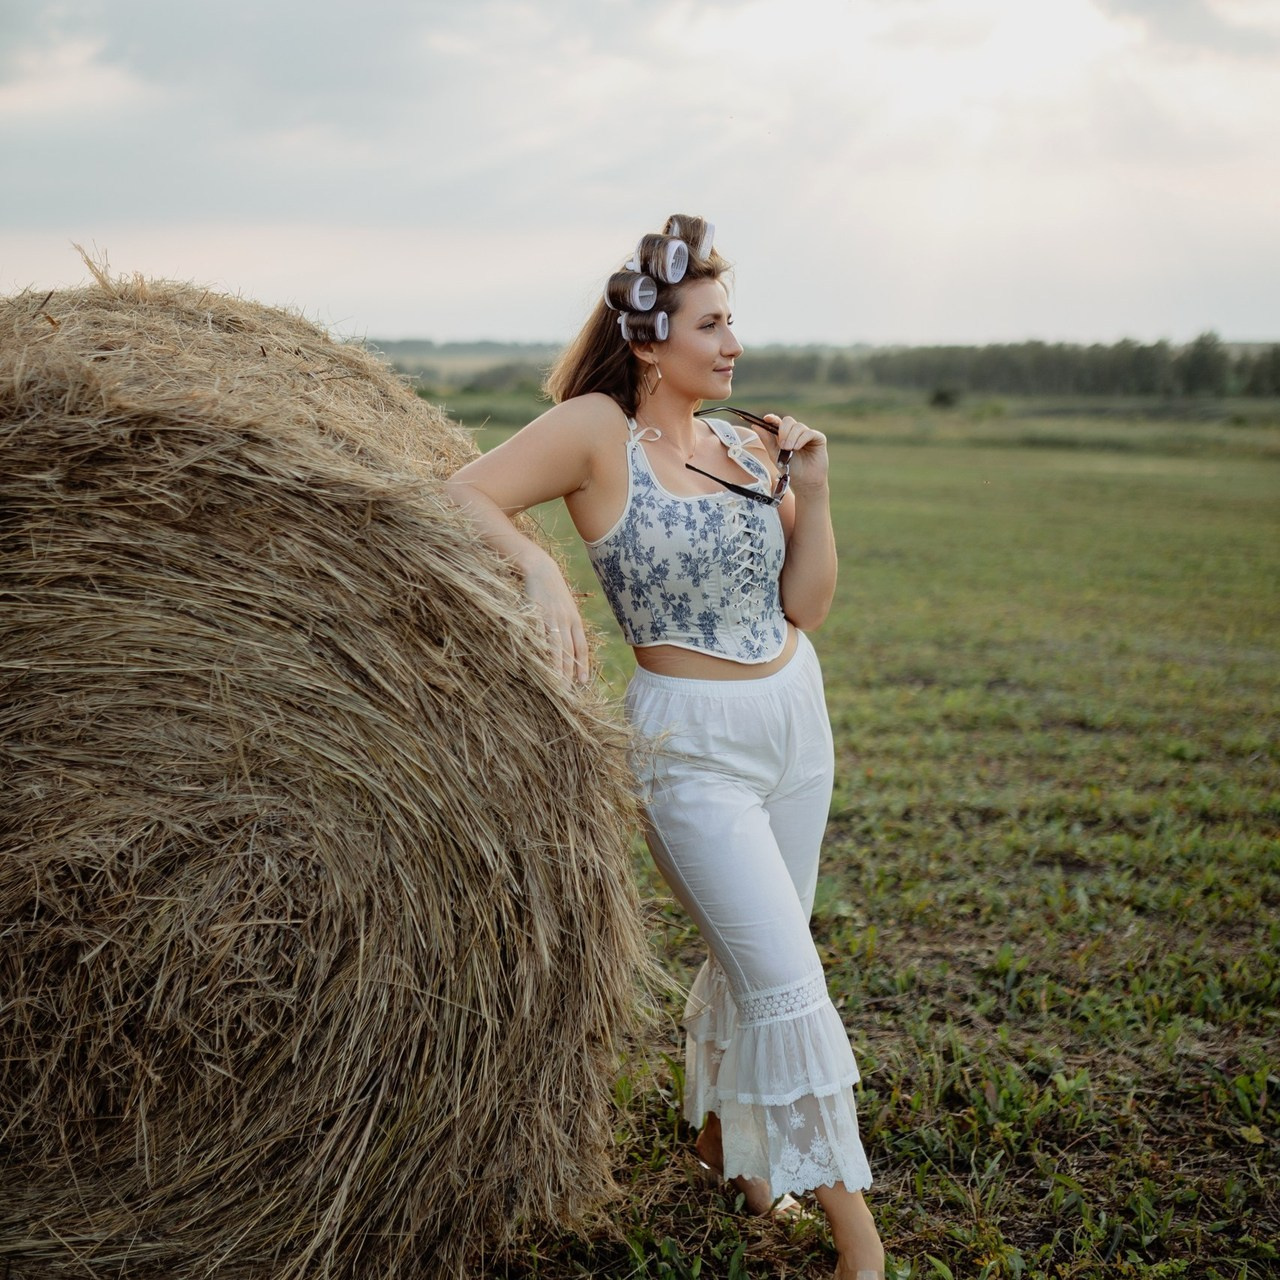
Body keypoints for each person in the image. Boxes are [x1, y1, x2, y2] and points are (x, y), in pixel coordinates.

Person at [445, 215, 886, 1280]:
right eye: (711, 324)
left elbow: (807, 604)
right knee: (786, 978)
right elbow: (459, 493)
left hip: (796, 718)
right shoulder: (596, 432)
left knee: (759, 955)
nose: (733, 343)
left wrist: (816, 489)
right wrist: (539, 567)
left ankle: (728, 1151)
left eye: (733, 322)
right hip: (690, 747)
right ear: (649, 341)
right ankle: (860, 1249)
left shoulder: (746, 446)